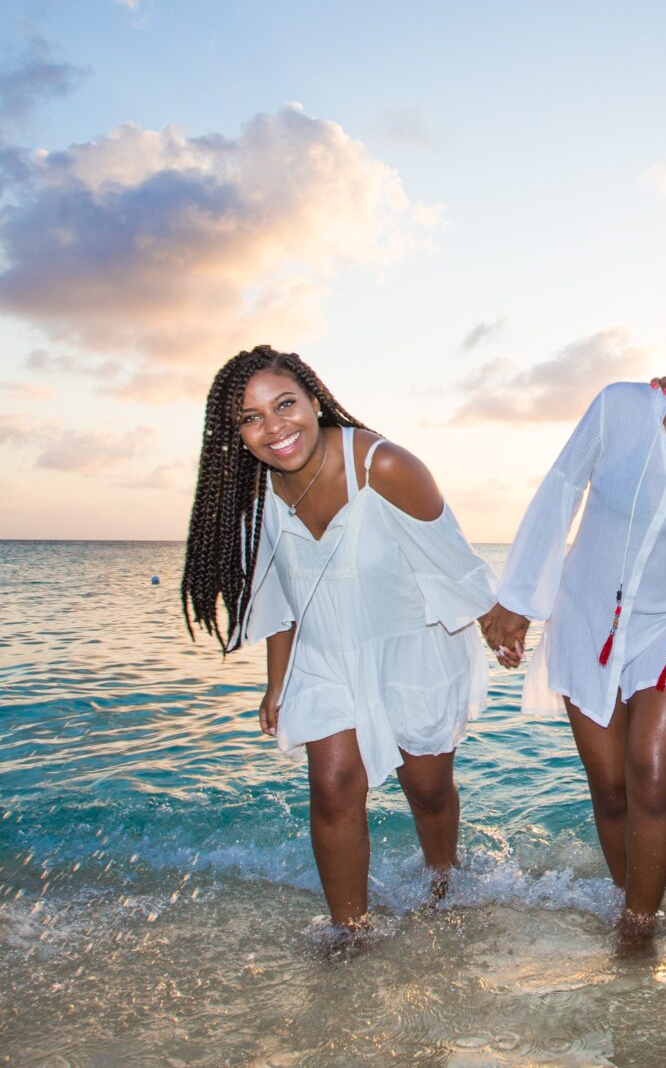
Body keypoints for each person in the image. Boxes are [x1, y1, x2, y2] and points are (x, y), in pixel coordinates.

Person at [480, 269, 666, 943]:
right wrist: (519, 601)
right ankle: (629, 895)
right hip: (588, 615)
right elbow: (560, 490)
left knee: (651, 773)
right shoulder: (618, 407)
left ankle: (640, 928)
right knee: (611, 786)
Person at [181, 345, 498, 928]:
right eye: (251, 418)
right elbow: (285, 596)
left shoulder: (386, 466)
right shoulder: (258, 495)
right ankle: (348, 932)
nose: (274, 428)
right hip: (325, 654)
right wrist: (276, 684)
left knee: (427, 791)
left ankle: (444, 883)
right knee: (332, 789)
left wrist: (500, 622)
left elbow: (456, 566)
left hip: (413, 647)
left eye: (285, 405)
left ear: (314, 401)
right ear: (236, 434)